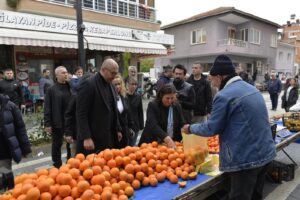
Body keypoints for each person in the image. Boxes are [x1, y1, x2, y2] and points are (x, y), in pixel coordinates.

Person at [182, 55, 276, 200]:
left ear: (220, 77)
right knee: (256, 196)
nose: (213, 84)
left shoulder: (224, 95)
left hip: (246, 160)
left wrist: (190, 128)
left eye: (212, 79)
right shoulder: (251, 88)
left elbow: (211, 128)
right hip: (266, 153)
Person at [76, 58, 122, 155]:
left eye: (116, 73)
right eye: (112, 73)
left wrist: (117, 129)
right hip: (93, 138)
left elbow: (114, 110)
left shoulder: (111, 85)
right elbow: (81, 112)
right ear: (104, 70)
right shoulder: (88, 84)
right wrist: (86, 137)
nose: (114, 76)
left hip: (109, 137)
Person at [0, 94, 31, 190]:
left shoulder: (10, 106)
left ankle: (9, 191)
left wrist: (25, 149)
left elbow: (20, 128)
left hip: (3, 147)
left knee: (4, 171)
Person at [139, 84, 185, 148]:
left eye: (172, 98)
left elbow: (182, 122)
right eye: (167, 98)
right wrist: (166, 138)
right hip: (152, 142)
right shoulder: (153, 105)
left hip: (171, 143)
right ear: (161, 95)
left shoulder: (177, 106)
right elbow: (153, 125)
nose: (170, 101)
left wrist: (184, 131)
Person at [44, 66, 71, 168]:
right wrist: (47, 123)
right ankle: (57, 164)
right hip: (57, 120)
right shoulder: (51, 89)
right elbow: (47, 107)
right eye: (63, 73)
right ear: (57, 75)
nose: (66, 74)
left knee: (70, 143)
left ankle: (70, 161)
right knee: (57, 144)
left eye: (66, 72)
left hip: (70, 120)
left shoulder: (71, 87)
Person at [113, 74, 135, 148]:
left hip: (125, 130)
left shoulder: (124, 97)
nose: (117, 86)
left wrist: (130, 127)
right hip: (114, 130)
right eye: (115, 84)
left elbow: (128, 113)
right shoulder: (108, 98)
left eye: (119, 84)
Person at [127, 77, 144, 146]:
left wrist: (141, 125)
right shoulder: (123, 96)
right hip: (126, 125)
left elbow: (140, 111)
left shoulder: (138, 96)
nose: (134, 86)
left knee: (132, 146)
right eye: (132, 84)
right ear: (127, 84)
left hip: (135, 125)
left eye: (135, 84)